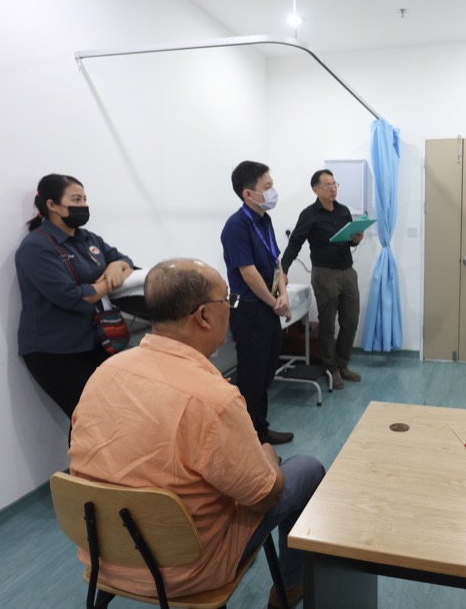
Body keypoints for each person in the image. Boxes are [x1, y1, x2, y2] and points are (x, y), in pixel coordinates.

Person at [68, 258, 325, 609]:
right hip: (188, 570)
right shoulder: (213, 398)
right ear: (204, 316)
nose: (231, 309)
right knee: (307, 468)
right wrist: (267, 456)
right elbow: (265, 497)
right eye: (228, 300)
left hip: (104, 558)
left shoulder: (103, 373)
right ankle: (289, 589)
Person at [15, 173, 134, 422]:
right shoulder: (36, 246)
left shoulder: (86, 238)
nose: (83, 206)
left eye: (84, 199)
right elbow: (72, 297)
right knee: (90, 418)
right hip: (55, 350)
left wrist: (116, 266)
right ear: (52, 205)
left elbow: (125, 261)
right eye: (76, 200)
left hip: (94, 341)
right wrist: (106, 283)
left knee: (115, 414)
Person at [220, 161, 294, 445]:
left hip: (267, 306)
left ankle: (259, 430)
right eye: (268, 186)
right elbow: (249, 274)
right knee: (251, 378)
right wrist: (275, 302)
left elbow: (276, 262)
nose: (273, 191)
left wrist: (283, 294)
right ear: (248, 194)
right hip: (250, 309)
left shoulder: (264, 220)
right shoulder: (236, 226)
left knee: (265, 373)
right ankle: (248, 441)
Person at [281, 169, 364, 389]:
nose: (333, 188)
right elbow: (295, 243)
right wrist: (283, 270)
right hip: (324, 274)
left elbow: (349, 241)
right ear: (315, 189)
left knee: (351, 321)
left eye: (335, 184)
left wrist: (356, 239)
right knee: (327, 324)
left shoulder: (343, 211)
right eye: (328, 185)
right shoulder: (309, 214)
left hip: (348, 272)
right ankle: (331, 369)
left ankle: (343, 364)